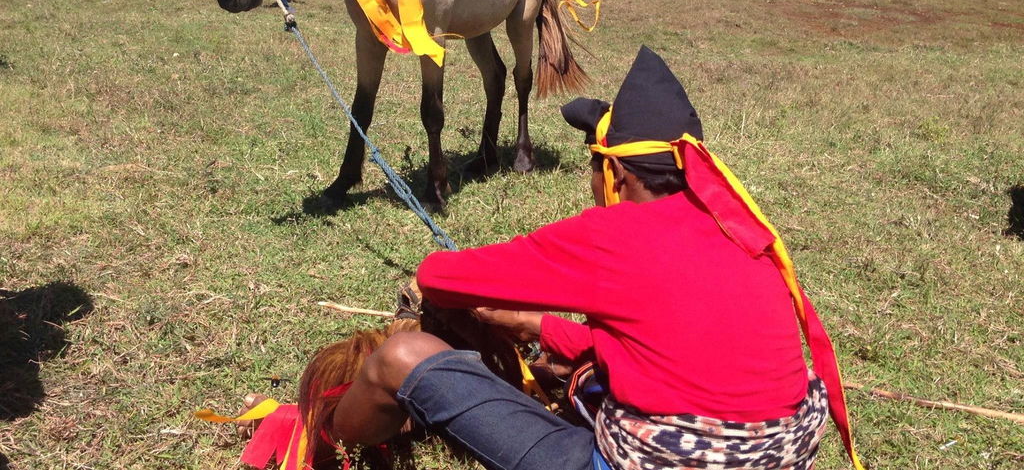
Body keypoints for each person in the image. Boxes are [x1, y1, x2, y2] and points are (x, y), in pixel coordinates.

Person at [242, 47, 863, 470]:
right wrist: (535, 324)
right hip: (778, 457)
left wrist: (498, 305)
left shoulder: (614, 234)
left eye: (593, 168)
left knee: (401, 358)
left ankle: (320, 442)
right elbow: (670, 347)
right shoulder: (743, 233)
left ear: (616, 172)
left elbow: (438, 276)